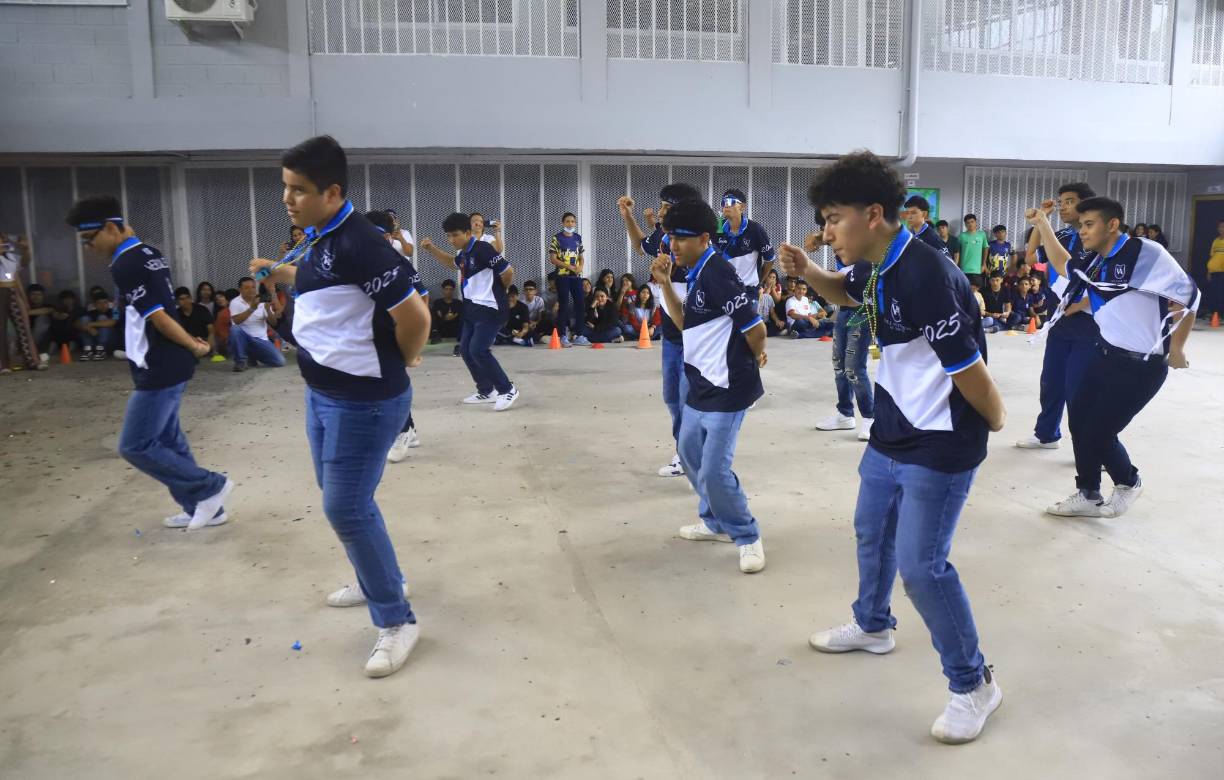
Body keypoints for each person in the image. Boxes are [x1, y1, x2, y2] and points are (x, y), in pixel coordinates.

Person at [777, 151, 1006, 745]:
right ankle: (873, 625)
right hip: (891, 432)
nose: (826, 233)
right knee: (870, 532)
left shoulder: (927, 275)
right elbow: (846, 295)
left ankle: (973, 684)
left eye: (833, 219)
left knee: (923, 568)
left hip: (939, 444)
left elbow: (969, 370)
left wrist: (996, 420)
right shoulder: (877, 264)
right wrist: (806, 270)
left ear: (873, 214)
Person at [251, 135, 428, 678]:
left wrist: (402, 363)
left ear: (332, 192)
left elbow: (416, 319)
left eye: (298, 190)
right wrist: (278, 271)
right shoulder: (320, 237)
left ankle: (397, 619)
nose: (287, 199)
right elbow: (324, 282)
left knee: (345, 508)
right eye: (285, 188)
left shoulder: (362, 242)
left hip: (364, 400)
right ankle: (380, 577)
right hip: (322, 393)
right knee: (344, 501)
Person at [66, 194, 232, 532]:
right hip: (163, 360)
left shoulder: (125, 264)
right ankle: (204, 509)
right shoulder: (149, 253)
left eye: (89, 239)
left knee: (135, 445)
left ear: (110, 228)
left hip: (161, 363)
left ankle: (209, 486)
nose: (88, 248)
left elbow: (157, 317)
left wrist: (193, 346)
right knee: (169, 440)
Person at [1031, 197, 1199, 519]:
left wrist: (1177, 347)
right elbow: (1063, 263)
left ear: (1112, 224)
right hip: (1103, 351)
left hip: (1141, 365)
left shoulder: (1145, 253)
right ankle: (1089, 493)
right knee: (1079, 422)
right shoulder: (1095, 259)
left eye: (1088, 224)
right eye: (1080, 225)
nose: (1081, 231)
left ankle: (1128, 482)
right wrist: (1042, 224)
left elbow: (1189, 296)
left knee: (1100, 430)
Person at [652, 198, 767, 574]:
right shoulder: (697, 270)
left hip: (727, 388)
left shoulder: (718, 272)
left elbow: (755, 327)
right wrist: (666, 284)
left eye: (679, 239)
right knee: (688, 453)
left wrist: (754, 358)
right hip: (700, 383)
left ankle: (747, 535)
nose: (672, 246)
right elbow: (684, 322)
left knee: (715, 469)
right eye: (669, 237)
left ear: (704, 238)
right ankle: (715, 520)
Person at [617, 183, 703, 479]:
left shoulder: (698, 248)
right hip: (671, 335)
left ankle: (689, 454)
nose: (661, 211)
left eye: (667, 207)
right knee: (671, 396)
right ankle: (686, 449)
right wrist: (627, 215)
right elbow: (641, 245)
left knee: (686, 397)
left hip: (695, 336)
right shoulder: (664, 238)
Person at [1017, 182, 1099, 450]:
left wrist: (1080, 305)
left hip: (1089, 326)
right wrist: (1043, 221)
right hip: (1059, 323)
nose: (1063, 206)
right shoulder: (1062, 236)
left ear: (1086, 205)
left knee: (1080, 388)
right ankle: (1047, 434)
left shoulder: (1099, 240)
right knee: (1051, 381)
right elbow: (1030, 257)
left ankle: (1094, 447)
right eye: (1061, 201)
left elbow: (1106, 284)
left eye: (1070, 201)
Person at [420, 213, 520, 411]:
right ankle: (486, 390)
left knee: (478, 350)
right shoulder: (463, 253)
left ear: (468, 232)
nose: (451, 240)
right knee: (465, 350)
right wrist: (431, 249)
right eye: (448, 236)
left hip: (490, 308)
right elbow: (452, 263)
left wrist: (500, 290)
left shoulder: (483, 249)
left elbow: (508, 272)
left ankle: (507, 389)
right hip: (472, 308)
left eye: (455, 235)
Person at [366, 209, 431, 463]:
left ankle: (402, 432)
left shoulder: (398, 262)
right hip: (370, 329)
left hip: (394, 330)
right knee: (380, 383)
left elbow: (422, 296)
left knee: (389, 383)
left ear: (388, 237)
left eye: (376, 235)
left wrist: (414, 344)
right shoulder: (361, 259)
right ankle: (409, 430)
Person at [805, 230, 875, 439]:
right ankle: (845, 413)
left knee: (854, 368)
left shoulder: (866, 237)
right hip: (844, 308)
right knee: (839, 364)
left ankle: (870, 418)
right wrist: (819, 238)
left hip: (864, 311)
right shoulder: (839, 239)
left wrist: (819, 238)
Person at [713, 188, 777, 296]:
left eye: (731, 202)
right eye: (723, 202)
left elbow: (769, 259)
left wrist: (759, 280)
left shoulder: (755, 229)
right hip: (722, 289)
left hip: (748, 291)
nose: (726, 205)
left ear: (742, 207)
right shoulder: (717, 226)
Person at [548, 213, 591, 347]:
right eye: (567, 221)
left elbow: (581, 256)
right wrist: (569, 267)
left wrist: (580, 267)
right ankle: (562, 336)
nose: (570, 224)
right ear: (563, 223)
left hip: (576, 277)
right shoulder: (557, 238)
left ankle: (579, 335)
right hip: (562, 276)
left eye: (572, 221)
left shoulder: (578, 238)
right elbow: (553, 258)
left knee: (580, 304)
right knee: (564, 305)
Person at [0, 232, 40, 373]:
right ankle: (3, 365)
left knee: (24, 327)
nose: (3, 244)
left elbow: (23, 264)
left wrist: (26, 249)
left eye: (4, 241)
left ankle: (32, 361)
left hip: (12, 290)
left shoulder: (11, 258)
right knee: (2, 330)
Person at [228, 276, 285, 372]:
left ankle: (253, 356)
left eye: (253, 287)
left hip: (260, 340)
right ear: (240, 290)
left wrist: (267, 309)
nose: (251, 290)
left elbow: (274, 323)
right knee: (235, 329)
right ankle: (240, 361)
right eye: (247, 288)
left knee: (280, 362)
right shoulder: (235, 302)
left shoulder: (262, 300)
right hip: (244, 339)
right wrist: (252, 308)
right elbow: (237, 321)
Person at [79, 289, 120, 360]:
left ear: (108, 302)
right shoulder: (91, 311)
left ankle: (101, 351)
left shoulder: (115, 310)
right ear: (94, 305)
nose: (103, 305)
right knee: (84, 319)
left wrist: (91, 324)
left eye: (105, 302)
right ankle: (88, 350)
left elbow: (113, 322)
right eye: (99, 303)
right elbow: (77, 324)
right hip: (95, 341)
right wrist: (88, 328)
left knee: (102, 317)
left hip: (111, 342)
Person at [176, 287, 215, 355]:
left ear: (191, 298)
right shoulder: (176, 314)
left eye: (187, 297)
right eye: (181, 299)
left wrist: (210, 342)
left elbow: (211, 329)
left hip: (204, 340)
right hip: (187, 341)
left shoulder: (202, 309)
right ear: (177, 301)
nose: (185, 301)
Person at [429, 278, 463, 349]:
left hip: (454, 329)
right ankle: (435, 335)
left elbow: (457, 316)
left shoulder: (458, 303)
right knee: (430, 313)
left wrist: (452, 316)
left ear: (453, 290)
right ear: (443, 290)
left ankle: (463, 336)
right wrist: (445, 317)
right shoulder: (438, 302)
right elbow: (438, 316)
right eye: (446, 289)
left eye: (450, 289)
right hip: (441, 328)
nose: (448, 291)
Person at [958, 214, 989, 288]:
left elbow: (986, 248)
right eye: (968, 222)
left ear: (976, 222)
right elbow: (957, 252)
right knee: (964, 292)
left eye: (972, 222)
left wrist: (984, 264)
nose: (970, 224)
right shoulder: (961, 236)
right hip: (964, 269)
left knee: (976, 294)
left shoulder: (982, 234)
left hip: (977, 270)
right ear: (965, 224)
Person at [758, 269, 788, 336]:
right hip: (760, 312)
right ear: (766, 277)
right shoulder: (760, 285)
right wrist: (768, 287)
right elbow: (763, 298)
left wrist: (773, 289)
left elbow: (777, 300)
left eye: (774, 277)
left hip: (773, 307)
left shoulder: (777, 286)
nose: (771, 279)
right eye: (769, 277)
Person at [1205, 219, 1224, 318]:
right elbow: (1212, 256)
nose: (1221, 229)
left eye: (1223, 227)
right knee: (1214, 293)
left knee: (1221, 293)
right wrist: (1209, 271)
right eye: (1220, 227)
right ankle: (1214, 312)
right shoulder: (1216, 241)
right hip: (1213, 271)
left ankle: (1220, 313)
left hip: (1222, 272)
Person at [212, 289, 233, 358]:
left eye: (221, 296)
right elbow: (216, 332)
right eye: (216, 299)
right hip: (223, 343)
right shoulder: (218, 314)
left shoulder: (233, 309)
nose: (219, 300)